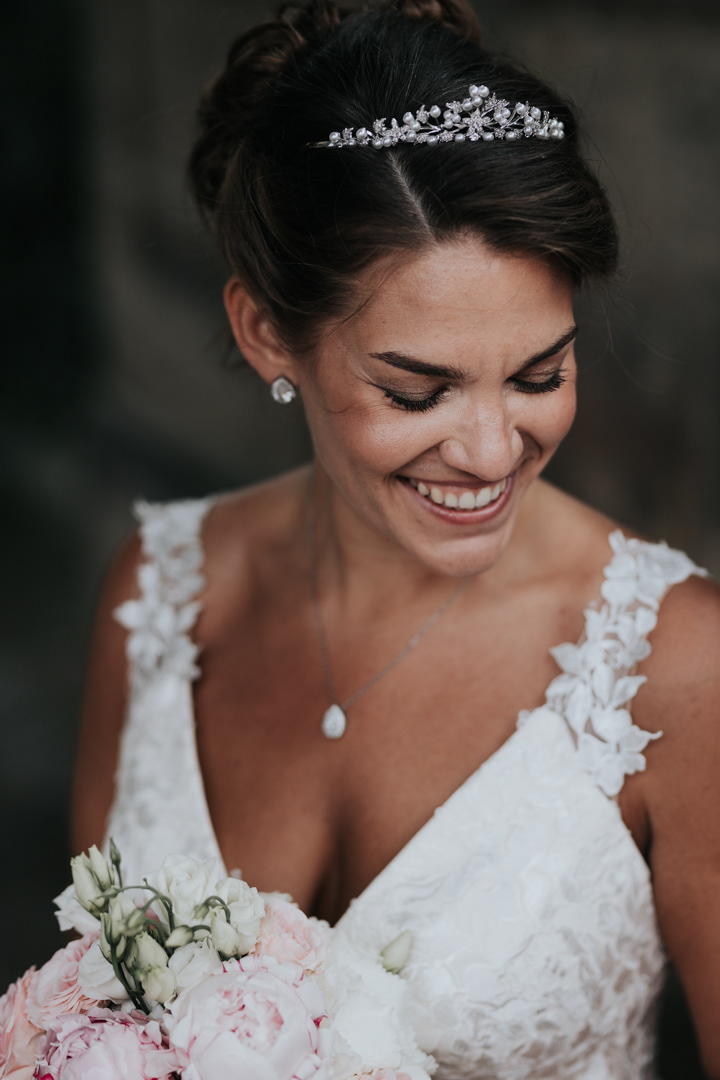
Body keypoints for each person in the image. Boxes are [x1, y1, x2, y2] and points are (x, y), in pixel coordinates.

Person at [70, 0, 720, 1075]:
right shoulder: (159, 598)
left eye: (541, 375)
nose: (492, 450)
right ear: (265, 331)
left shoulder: (681, 666)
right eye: (418, 392)